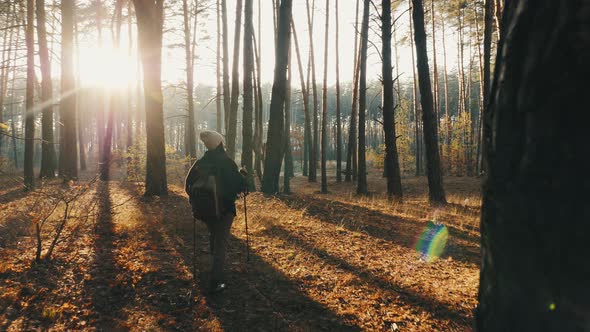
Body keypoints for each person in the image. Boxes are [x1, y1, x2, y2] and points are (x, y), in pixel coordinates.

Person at [185, 130, 247, 293]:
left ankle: (213, 269)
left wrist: (195, 201)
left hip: (204, 211)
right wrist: (243, 176)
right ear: (219, 143)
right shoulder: (227, 163)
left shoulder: (200, 163)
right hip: (224, 210)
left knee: (215, 236)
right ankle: (216, 280)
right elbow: (241, 187)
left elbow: (188, 185)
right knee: (221, 243)